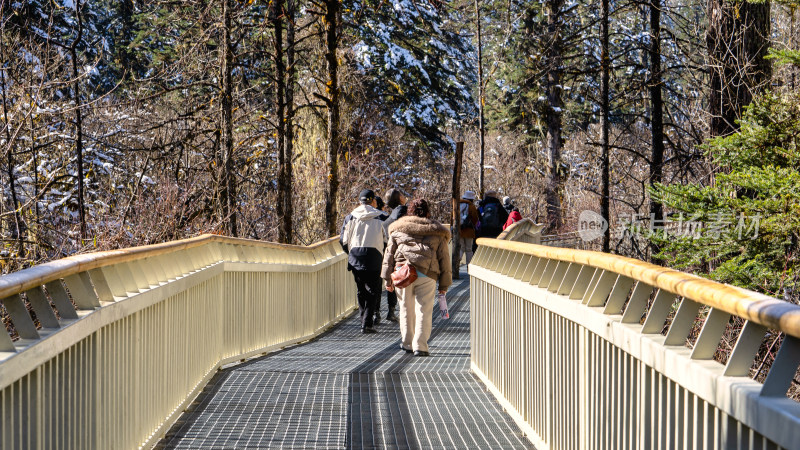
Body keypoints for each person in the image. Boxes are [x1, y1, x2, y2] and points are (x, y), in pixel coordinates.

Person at [382, 198, 452, 356]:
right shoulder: (437, 232)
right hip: (427, 274)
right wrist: (444, 285)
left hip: (403, 273)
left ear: (409, 212)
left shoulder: (398, 230)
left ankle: (407, 343)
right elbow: (445, 260)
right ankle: (420, 346)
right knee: (424, 310)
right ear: (428, 212)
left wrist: (387, 279)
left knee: (405, 309)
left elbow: (388, 257)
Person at [340, 189, 387, 334]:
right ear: (373, 201)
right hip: (375, 256)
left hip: (356, 256)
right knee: (373, 290)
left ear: (359, 201)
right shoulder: (381, 217)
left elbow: (343, 240)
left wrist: (350, 253)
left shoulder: (350, 217)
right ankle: (367, 323)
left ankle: (363, 320)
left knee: (361, 290)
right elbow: (387, 239)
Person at [376, 188, 408, 323]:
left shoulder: (389, 218)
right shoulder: (405, 213)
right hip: (403, 253)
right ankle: (399, 312)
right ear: (400, 198)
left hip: (389, 251)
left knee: (392, 280)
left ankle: (390, 311)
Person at [458, 190, 480, 266]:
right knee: (469, 249)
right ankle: (469, 266)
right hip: (469, 231)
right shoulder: (471, 206)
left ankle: (456, 264)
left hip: (459, 230)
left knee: (461, 248)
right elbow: (475, 218)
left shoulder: (457, 205)